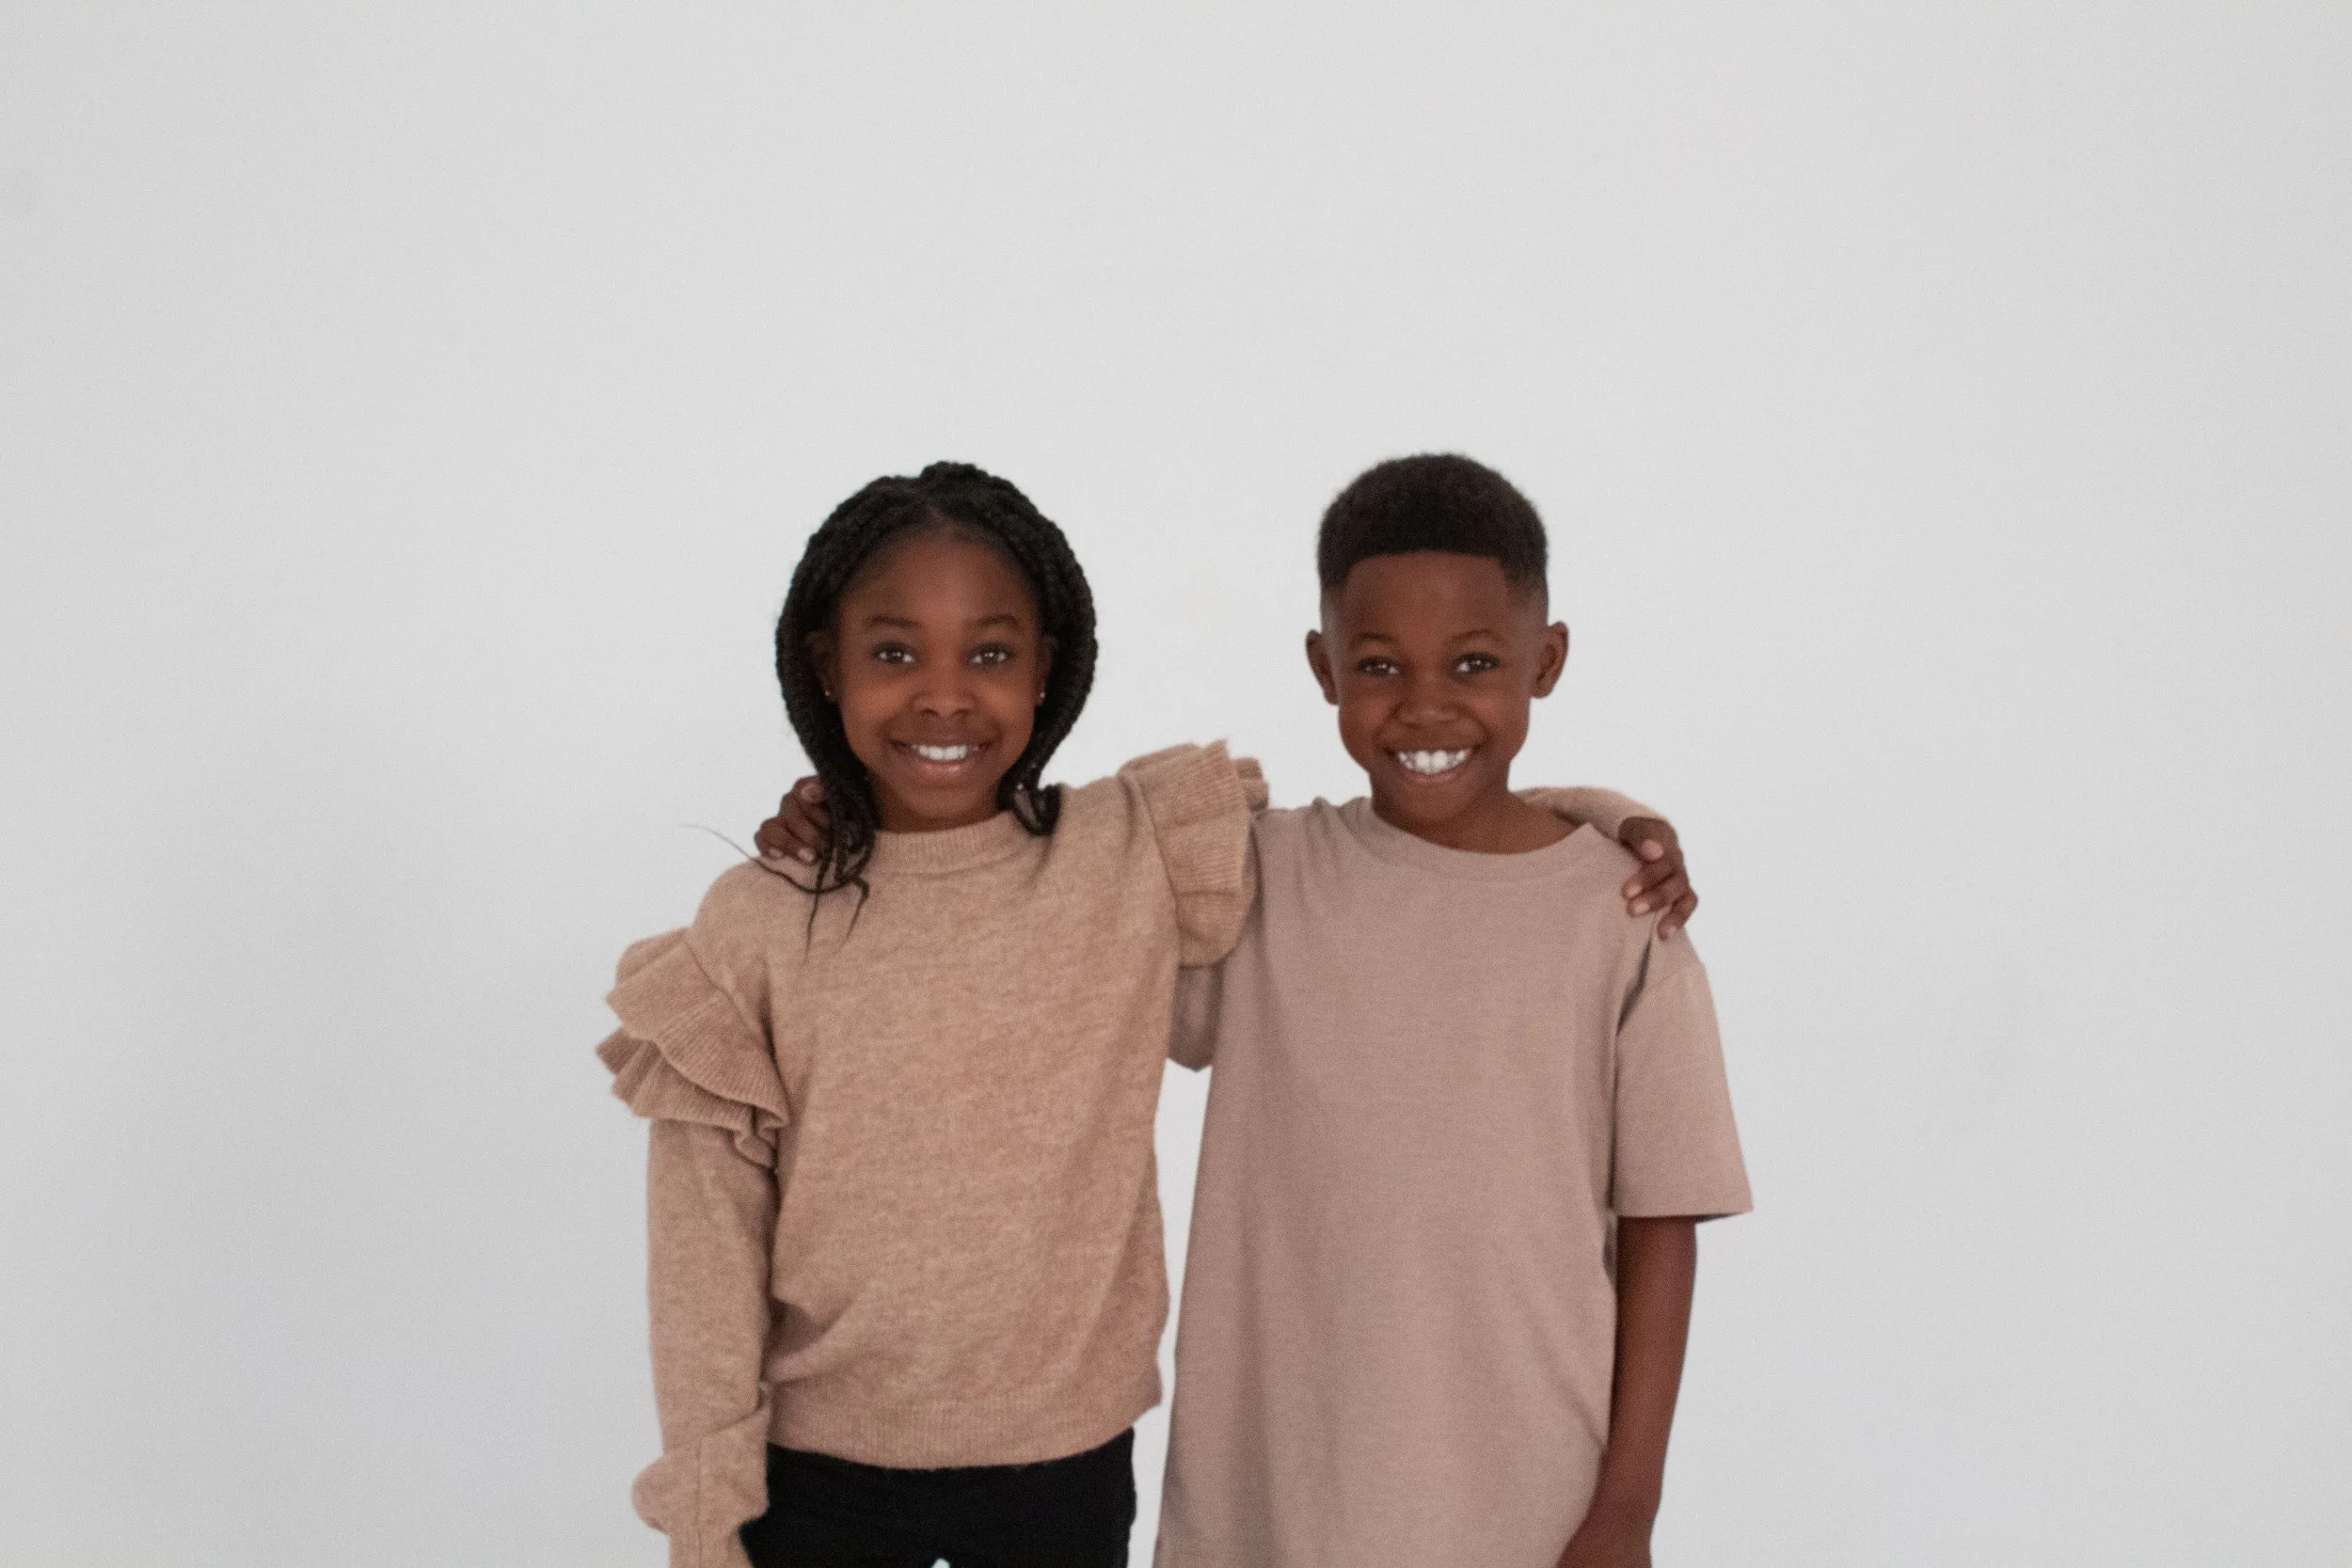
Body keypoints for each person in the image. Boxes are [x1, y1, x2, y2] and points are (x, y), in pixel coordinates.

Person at [598, 461, 1264, 1568]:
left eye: (990, 652)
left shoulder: (1132, 857)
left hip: (1064, 1464)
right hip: (816, 1481)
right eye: (894, 651)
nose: (943, 694)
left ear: (1047, 665)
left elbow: (1382, 864)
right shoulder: (758, 925)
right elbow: (703, 1251)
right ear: (827, 660)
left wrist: (1605, 822)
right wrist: (707, 1515)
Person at [1152, 454, 1751, 1568]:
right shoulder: (1256, 882)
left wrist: (1629, 1508)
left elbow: (1663, 1221)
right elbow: (1047, 886)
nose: (1425, 704)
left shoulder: (1623, 915)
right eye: (1379, 664)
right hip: (1271, 1508)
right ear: (1323, 667)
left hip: (1529, 1506)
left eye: (1474, 662)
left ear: (1547, 660)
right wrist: (839, 812)